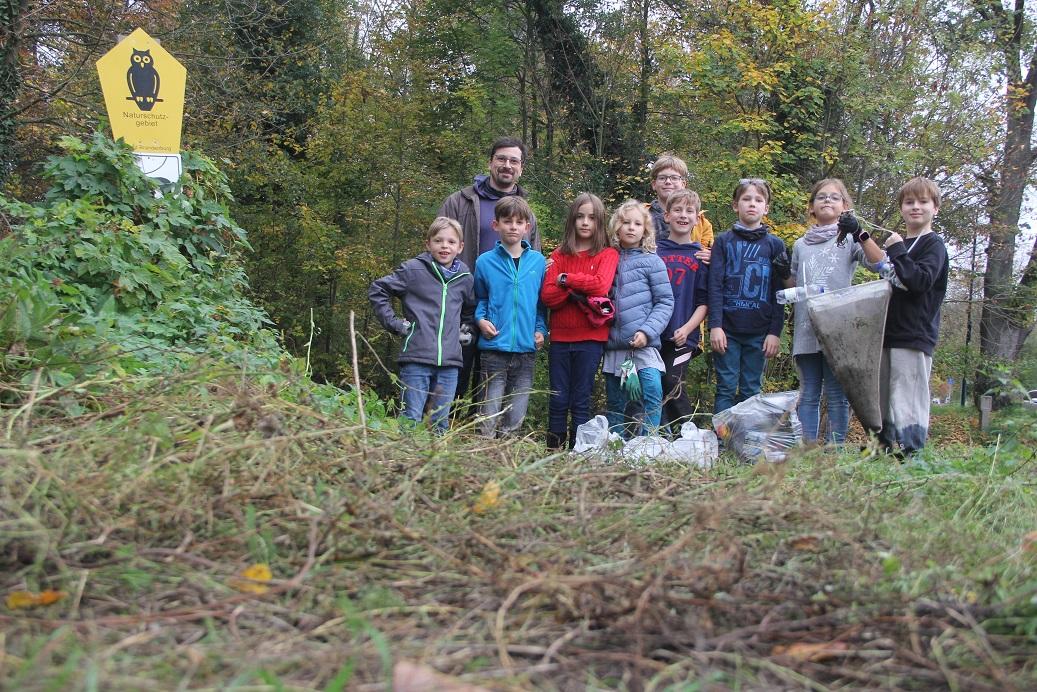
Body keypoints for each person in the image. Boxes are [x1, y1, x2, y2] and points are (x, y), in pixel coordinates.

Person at [438, 137, 540, 412]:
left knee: (490, 384)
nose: (507, 165)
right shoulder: (459, 201)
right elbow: (438, 246)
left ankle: (479, 438)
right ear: (490, 162)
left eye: (514, 161)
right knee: (454, 371)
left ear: (521, 168)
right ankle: (444, 433)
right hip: (460, 303)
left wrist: (537, 322)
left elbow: (534, 264)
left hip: (504, 310)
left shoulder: (525, 213)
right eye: (502, 159)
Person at [789, 179, 885, 445]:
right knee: (808, 393)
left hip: (838, 329)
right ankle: (808, 450)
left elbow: (880, 266)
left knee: (837, 393)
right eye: (821, 197)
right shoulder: (800, 245)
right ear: (811, 207)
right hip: (807, 326)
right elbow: (794, 286)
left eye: (834, 197)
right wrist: (781, 273)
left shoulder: (850, 239)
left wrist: (861, 233)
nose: (827, 201)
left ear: (845, 206)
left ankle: (836, 449)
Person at [860, 176, 948, 456]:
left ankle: (913, 451)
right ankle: (881, 447)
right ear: (901, 208)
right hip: (888, 331)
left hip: (915, 334)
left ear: (935, 208)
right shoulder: (903, 245)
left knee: (908, 397)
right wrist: (862, 236)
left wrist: (896, 249)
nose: (915, 207)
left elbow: (918, 281)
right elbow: (887, 272)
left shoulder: (934, 245)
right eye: (909, 202)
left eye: (923, 202)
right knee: (883, 397)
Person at [368, 217, 476, 432]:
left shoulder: (465, 277)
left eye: (451, 242)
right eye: (438, 241)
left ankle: (435, 464)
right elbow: (378, 290)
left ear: (460, 247)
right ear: (428, 244)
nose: (445, 246)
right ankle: (406, 462)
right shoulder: (413, 270)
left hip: (450, 362)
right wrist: (395, 324)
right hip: (416, 358)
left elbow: (469, 310)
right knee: (411, 417)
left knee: (440, 423)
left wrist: (465, 332)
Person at [540, 193, 619, 450]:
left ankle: (580, 451)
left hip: (591, 338)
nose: (585, 222)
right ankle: (553, 449)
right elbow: (548, 296)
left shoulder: (607, 254)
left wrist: (564, 279)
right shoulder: (559, 254)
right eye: (580, 217)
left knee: (581, 398)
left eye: (592, 218)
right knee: (558, 397)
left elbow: (601, 285)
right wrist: (575, 289)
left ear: (600, 222)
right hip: (561, 337)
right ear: (572, 220)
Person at [708, 178, 791, 414]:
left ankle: (747, 441)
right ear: (735, 205)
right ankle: (722, 439)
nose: (752, 204)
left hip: (760, 331)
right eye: (746, 199)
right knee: (725, 387)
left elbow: (780, 293)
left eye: (758, 200)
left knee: (751, 388)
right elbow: (715, 286)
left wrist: (775, 332)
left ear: (766, 208)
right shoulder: (723, 242)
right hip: (727, 330)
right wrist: (715, 326)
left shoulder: (775, 245)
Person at [474, 196, 547, 438]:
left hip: (526, 350)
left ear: (528, 227)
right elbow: (481, 299)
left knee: (516, 413)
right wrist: (480, 320)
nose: (513, 227)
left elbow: (540, 304)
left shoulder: (538, 262)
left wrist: (541, 330)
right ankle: (483, 454)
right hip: (494, 347)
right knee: (489, 410)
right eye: (507, 221)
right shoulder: (484, 262)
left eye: (519, 222)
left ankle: (508, 461)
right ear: (496, 225)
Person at [603, 200, 674, 437]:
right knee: (616, 402)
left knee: (652, 392)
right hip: (615, 347)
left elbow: (665, 301)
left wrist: (647, 332)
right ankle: (616, 446)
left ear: (645, 230)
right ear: (616, 227)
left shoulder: (653, 261)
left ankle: (648, 442)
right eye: (626, 222)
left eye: (637, 223)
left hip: (643, 345)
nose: (631, 228)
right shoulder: (607, 259)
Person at [656, 189, 710, 431]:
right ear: (666, 216)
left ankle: (688, 436)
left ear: (697, 218)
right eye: (677, 210)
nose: (683, 215)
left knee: (672, 381)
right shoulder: (655, 252)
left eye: (689, 211)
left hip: (684, 337)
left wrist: (688, 328)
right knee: (653, 385)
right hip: (654, 334)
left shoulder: (701, 256)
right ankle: (657, 438)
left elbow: (704, 301)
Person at [646, 153, 714, 253]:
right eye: (662, 178)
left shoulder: (701, 223)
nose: (668, 182)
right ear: (654, 184)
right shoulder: (641, 215)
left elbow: (706, 254)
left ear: (683, 184)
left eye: (674, 178)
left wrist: (710, 256)